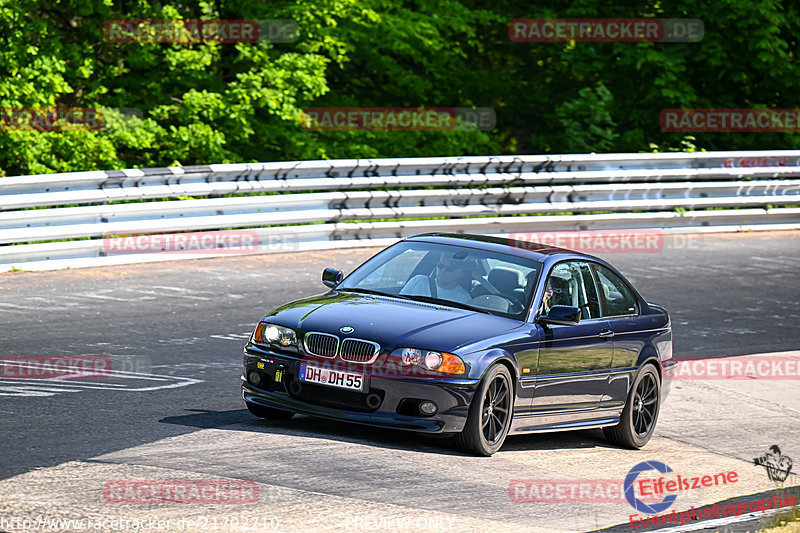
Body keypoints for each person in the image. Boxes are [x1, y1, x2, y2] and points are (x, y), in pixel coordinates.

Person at [400, 252, 472, 303]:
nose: (442, 271)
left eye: (449, 269)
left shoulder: (464, 298)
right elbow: (399, 304)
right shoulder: (417, 281)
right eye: (440, 266)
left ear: (460, 273)